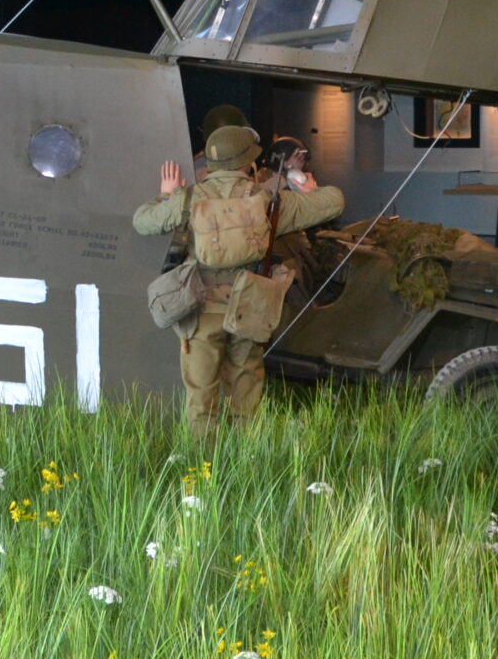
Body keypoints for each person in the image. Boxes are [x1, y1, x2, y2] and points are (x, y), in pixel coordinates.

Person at [133, 124, 345, 435]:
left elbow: (143, 221)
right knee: (246, 389)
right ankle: (244, 461)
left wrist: (167, 195)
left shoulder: (190, 198)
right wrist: (304, 186)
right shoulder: (268, 201)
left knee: (201, 393)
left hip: (201, 307)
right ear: (249, 161)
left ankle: (202, 467)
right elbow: (335, 201)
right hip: (250, 304)